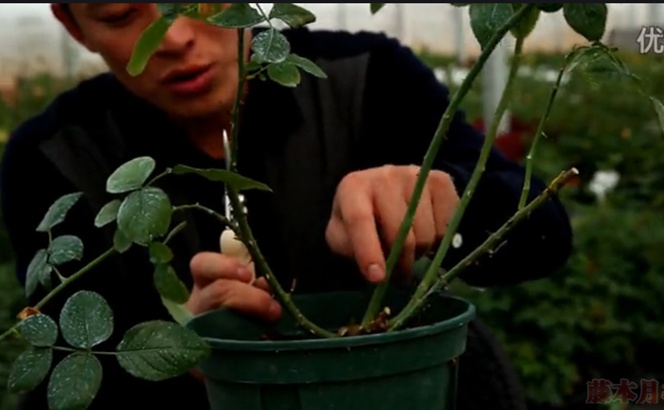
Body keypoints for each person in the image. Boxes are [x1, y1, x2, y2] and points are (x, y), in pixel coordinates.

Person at [0, 3, 573, 410]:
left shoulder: (369, 78)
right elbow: (60, 373)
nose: (173, 37)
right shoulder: (53, 157)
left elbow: (543, 232)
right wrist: (180, 356)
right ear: (72, 24)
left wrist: (446, 206)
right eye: (122, 14)